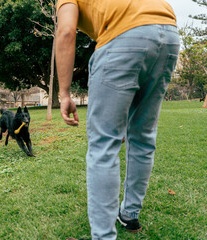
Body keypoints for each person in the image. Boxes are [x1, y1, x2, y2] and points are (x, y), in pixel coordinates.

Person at [55, 0, 180, 239]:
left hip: (124, 35)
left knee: (103, 144)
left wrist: (64, 94)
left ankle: (103, 236)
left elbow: (66, 31)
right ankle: (130, 214)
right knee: (143, 135)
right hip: (168, 32)